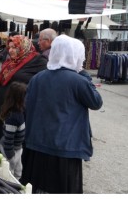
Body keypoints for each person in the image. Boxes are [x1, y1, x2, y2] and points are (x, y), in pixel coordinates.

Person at [20, 35, 103, 194]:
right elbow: (96, 102)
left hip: (37, 144)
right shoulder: (78, 80)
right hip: (64, 148)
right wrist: (84, 74)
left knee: (37, 186)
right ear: (74, 55)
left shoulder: (38, 78)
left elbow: (27, 106)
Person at [0, 35, 47, 150]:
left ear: (23, 47)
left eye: (14, 47)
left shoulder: (38, 62)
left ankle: (12, 164)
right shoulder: (10, 62)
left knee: (12, 139)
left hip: (18, 107)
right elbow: (1, 83)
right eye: (9, 47)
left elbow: (40, 86)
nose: (10, 50)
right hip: (2, 104)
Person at [0, 81, 27, 180]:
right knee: (10, 174)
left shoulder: (19, 111)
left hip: (17, 148)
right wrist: (11, 158)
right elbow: (8, 140)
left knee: (18, 171)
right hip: (10, 150)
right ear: (19, 99)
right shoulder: (13, 117)